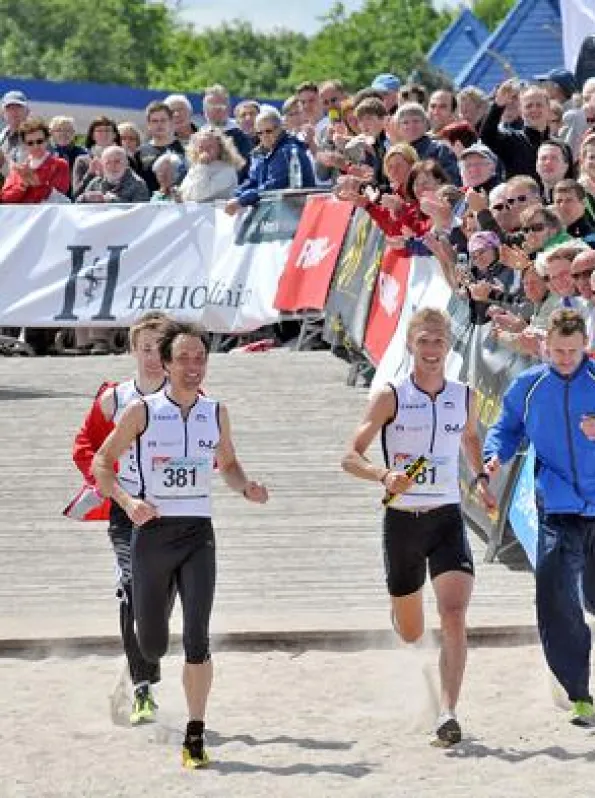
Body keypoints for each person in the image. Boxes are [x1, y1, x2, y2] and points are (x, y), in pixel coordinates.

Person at [92, 321, 269, 769]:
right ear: (165, 364)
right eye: (183, 358)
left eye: (200, 358)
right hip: (152, 535)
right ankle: (140, 673)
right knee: (151, 644)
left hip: (197, 536)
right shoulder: (142, 412)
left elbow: (227, 463)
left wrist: (244, 486)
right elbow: (102, 463)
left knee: (196, 638)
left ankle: (195, 733)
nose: (193, 367)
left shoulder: (216, 412)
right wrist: (128, 502)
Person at [484, 309, 595, 726]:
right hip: (557, 504)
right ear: (545, 345)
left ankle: (589, 611)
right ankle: (577, 692)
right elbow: (507, 428)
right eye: (557, 351)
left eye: (572, 350)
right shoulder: (529, 386)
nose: (565, 358)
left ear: (587, 343)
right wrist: (496, 456)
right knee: (554, 592)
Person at [340, 309, 495, 746]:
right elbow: (349, 456)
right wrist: (384, 476)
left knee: (454, 613)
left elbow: (468, 437)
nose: (431, 350)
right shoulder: (390, 396)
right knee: (411, 631)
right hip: (402, 521)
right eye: (423, 342)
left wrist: (480, 478)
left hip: (446, 517)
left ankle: (448, 712)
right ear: (411, 345)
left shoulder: (463, 396)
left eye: (438, 342)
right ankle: (403, 614)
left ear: (449, 347)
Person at [69, 313, 170, 726]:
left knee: (160, 604)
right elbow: (85, 448)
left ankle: (139, 667)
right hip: (125, 512)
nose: (151, 357)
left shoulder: (188, 396)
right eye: (144, 347)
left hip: (175, 515)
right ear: (132, 350)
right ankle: (144, 688)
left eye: (159, 348)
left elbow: (212, 453)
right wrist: (108, 486)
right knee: (132, 590)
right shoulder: (114, 399)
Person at [226, 107, 315, 214]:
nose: (264, 136)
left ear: (280, 129)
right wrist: (236, 195)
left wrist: (241, 200)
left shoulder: (289, 151)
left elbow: (274, 186)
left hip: (296, 213)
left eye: (268, 131)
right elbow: (253, 181)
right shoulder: (260, 153)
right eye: (260, 133)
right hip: (277, 213)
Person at [0, 118, 70, 204]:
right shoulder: (19, 169)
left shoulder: (60, 165)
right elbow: (5, 199)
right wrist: (23, 185)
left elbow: (59, 197)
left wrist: (37, 184)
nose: (36, 146)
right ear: (25, 144)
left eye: (39, 141)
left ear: (47, 140)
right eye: (30, 143)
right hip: (22, 216)